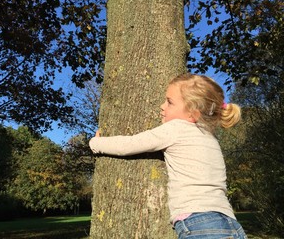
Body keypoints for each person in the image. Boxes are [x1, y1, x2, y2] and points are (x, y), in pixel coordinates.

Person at [89, 73, 247, 238]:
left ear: (193, 114)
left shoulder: (176, 128)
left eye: (169, 102)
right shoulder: (210, 136)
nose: (162, 106)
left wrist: (96, 143)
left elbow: (131, 144)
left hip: (198, 220)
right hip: (230, 222)